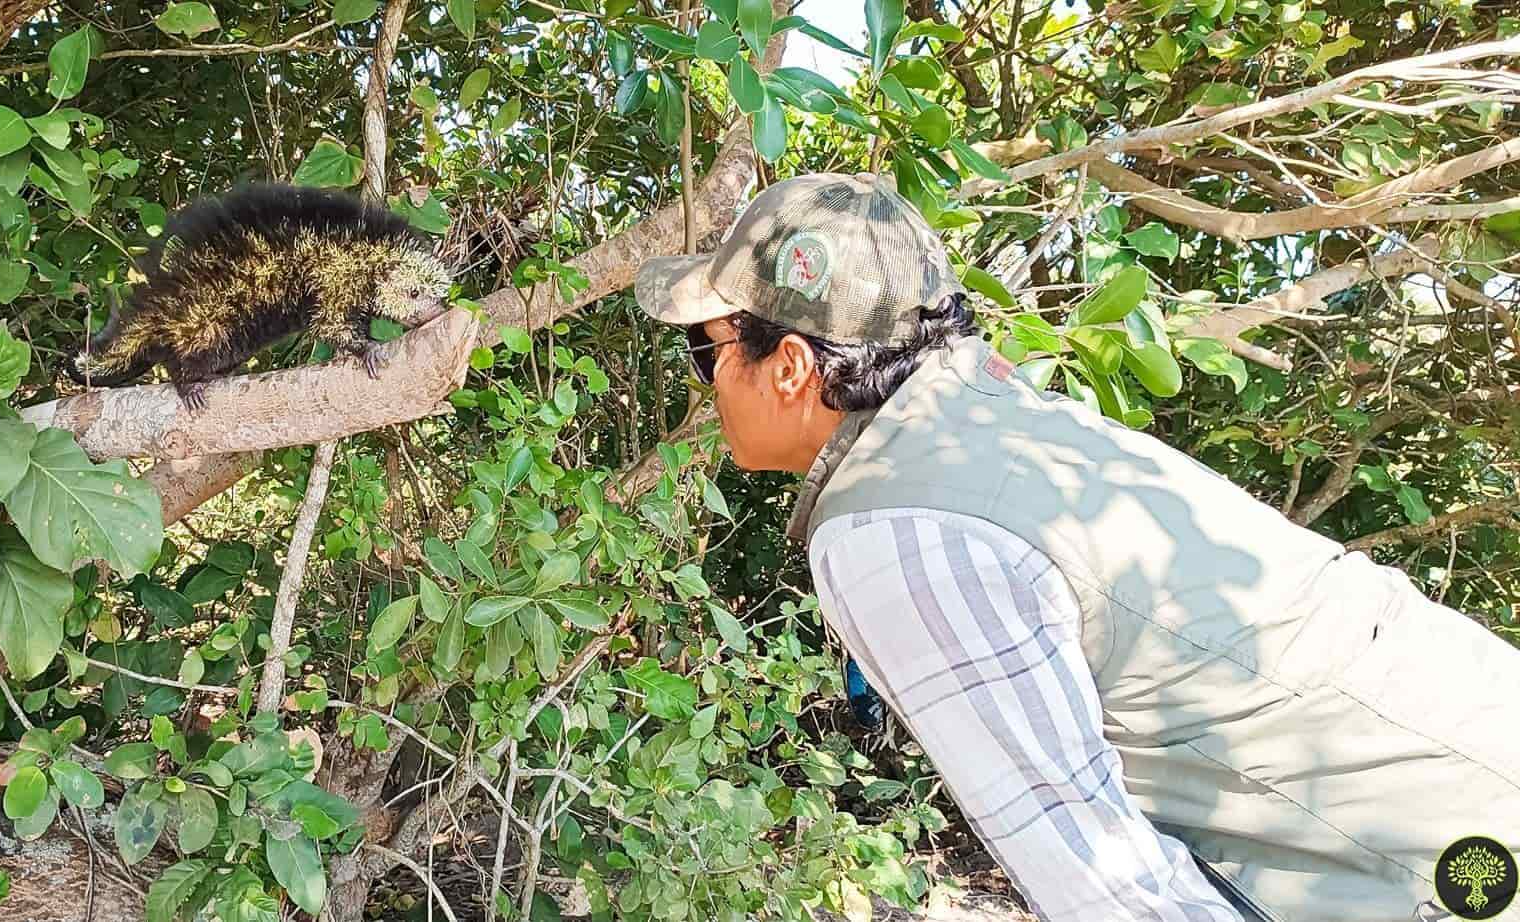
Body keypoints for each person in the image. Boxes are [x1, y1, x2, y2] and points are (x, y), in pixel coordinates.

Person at [632, 172, 1520, 922]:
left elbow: (1097, 868)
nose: (705, 385)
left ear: (788, 367)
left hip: (1430, 859)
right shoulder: (985, 412)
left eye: (704, 354)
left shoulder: (892, 526)